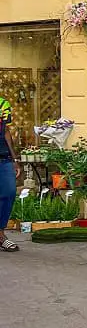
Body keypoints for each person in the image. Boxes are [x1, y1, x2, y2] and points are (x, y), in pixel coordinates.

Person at [0, 96, 20, 252]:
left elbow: (6, 131)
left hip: (4, 158)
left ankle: (1, 234)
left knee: (9, 192)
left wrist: (14, 159)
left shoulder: (3, 104)